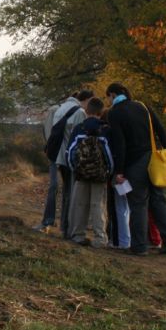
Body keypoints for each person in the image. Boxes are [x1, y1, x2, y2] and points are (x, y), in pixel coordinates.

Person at [105, 83, 166, 256]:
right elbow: (161, 131)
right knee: (159, 199)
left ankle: (139, 246)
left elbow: (120, 143)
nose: (108, 101)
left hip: (133, 163)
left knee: (138, 203)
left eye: (108, 97)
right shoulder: (143, 106)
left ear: (113, 95)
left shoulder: (115, 113)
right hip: (153, 159)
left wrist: (119, 170)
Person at [65, 97, 113, 248]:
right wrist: (109, 171)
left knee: (80, 204)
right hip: (99, 175)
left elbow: (70, 151)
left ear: (87, 111)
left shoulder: (79, 128)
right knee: (98, 205)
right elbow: (109, 154)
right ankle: (100, 238)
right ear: (101, 112)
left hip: (81, 173)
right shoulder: (105, 129)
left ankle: (78, 234)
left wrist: (75, 169)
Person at [51, 90, 94, 239]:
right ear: (87, 99)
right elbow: (80, 138)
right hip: (71, 158)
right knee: (73, 195)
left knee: (66, 193)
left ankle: (64, 226)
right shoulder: (80, 112)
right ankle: (69, 228)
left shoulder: (61, 108)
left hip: (60, 157)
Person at [101, 108, 131, 250]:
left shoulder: (109, 133)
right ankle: (129, 239)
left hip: (116, 174)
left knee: (117, 207)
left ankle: (119, 241)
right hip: (131, 172)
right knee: (128, 207)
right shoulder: (130, 131)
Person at [32, 103, 61, 233]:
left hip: (55, 155)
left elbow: (47, 133)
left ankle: (48, 221)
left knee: (54, 187)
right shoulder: (57, 111)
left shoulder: (54, 110)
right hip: (60, 155)